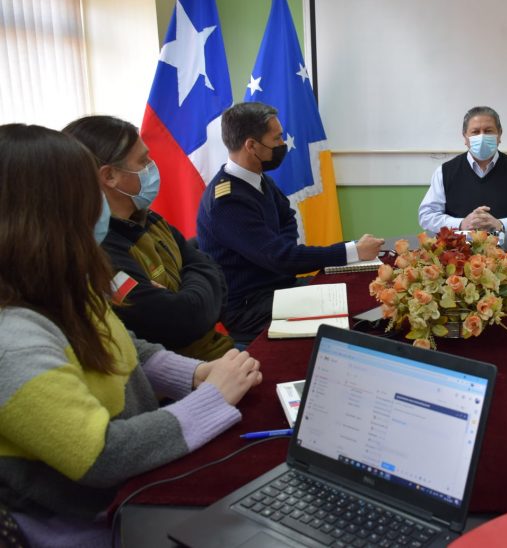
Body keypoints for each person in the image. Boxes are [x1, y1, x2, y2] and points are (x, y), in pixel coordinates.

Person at [0, 124, 263, 546]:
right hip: (84, 519)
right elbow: (101, 455)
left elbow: (123, 348)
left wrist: (196, 375)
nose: (99, 207)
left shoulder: (59, 284)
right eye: (87, 193)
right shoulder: (12, 338)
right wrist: (211, 399)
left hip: (132, 488)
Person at [197, 102, 384, 343]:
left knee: (358, 291)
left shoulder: (258, 179)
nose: (282, 144)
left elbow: (286, 219)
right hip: (250, 307)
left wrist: (278, 253)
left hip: (280, 286)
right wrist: (353, 250)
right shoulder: (227, 201)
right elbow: (280, 257)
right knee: (353, 319)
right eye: (276, 138)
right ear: (251, 146)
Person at [63, 115, 234, 361]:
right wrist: (198, 279)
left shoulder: (149, 219)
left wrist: (192, 284)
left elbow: (215, 277)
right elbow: (183, 322)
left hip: (219, 355)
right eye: (143, 161)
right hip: (183, 376)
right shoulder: (100, 249)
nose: (153, 166)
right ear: (109, 176)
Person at [418, 106, 507, 233]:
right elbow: (426, 216)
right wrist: (461, 224)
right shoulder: (445, 172)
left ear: (499, 135)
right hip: (457, 251)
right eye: (475, 132)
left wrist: (501, 225)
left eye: (488, 131)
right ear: (465, 137)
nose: (482, 137)